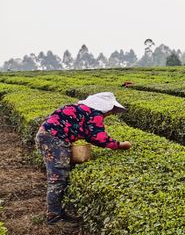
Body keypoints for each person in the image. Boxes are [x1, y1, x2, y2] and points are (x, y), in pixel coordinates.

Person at [35, 92, 131, 226]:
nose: (111, 113)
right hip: (53, 139)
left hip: (48, 137)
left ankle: (59, 213)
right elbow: (98, 137)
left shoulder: (81, 109)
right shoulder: (95, 114)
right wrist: (120, 145)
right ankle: (54, 217)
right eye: (111, 110)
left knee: (61, 174)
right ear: (106, 107)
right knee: (57, 178)